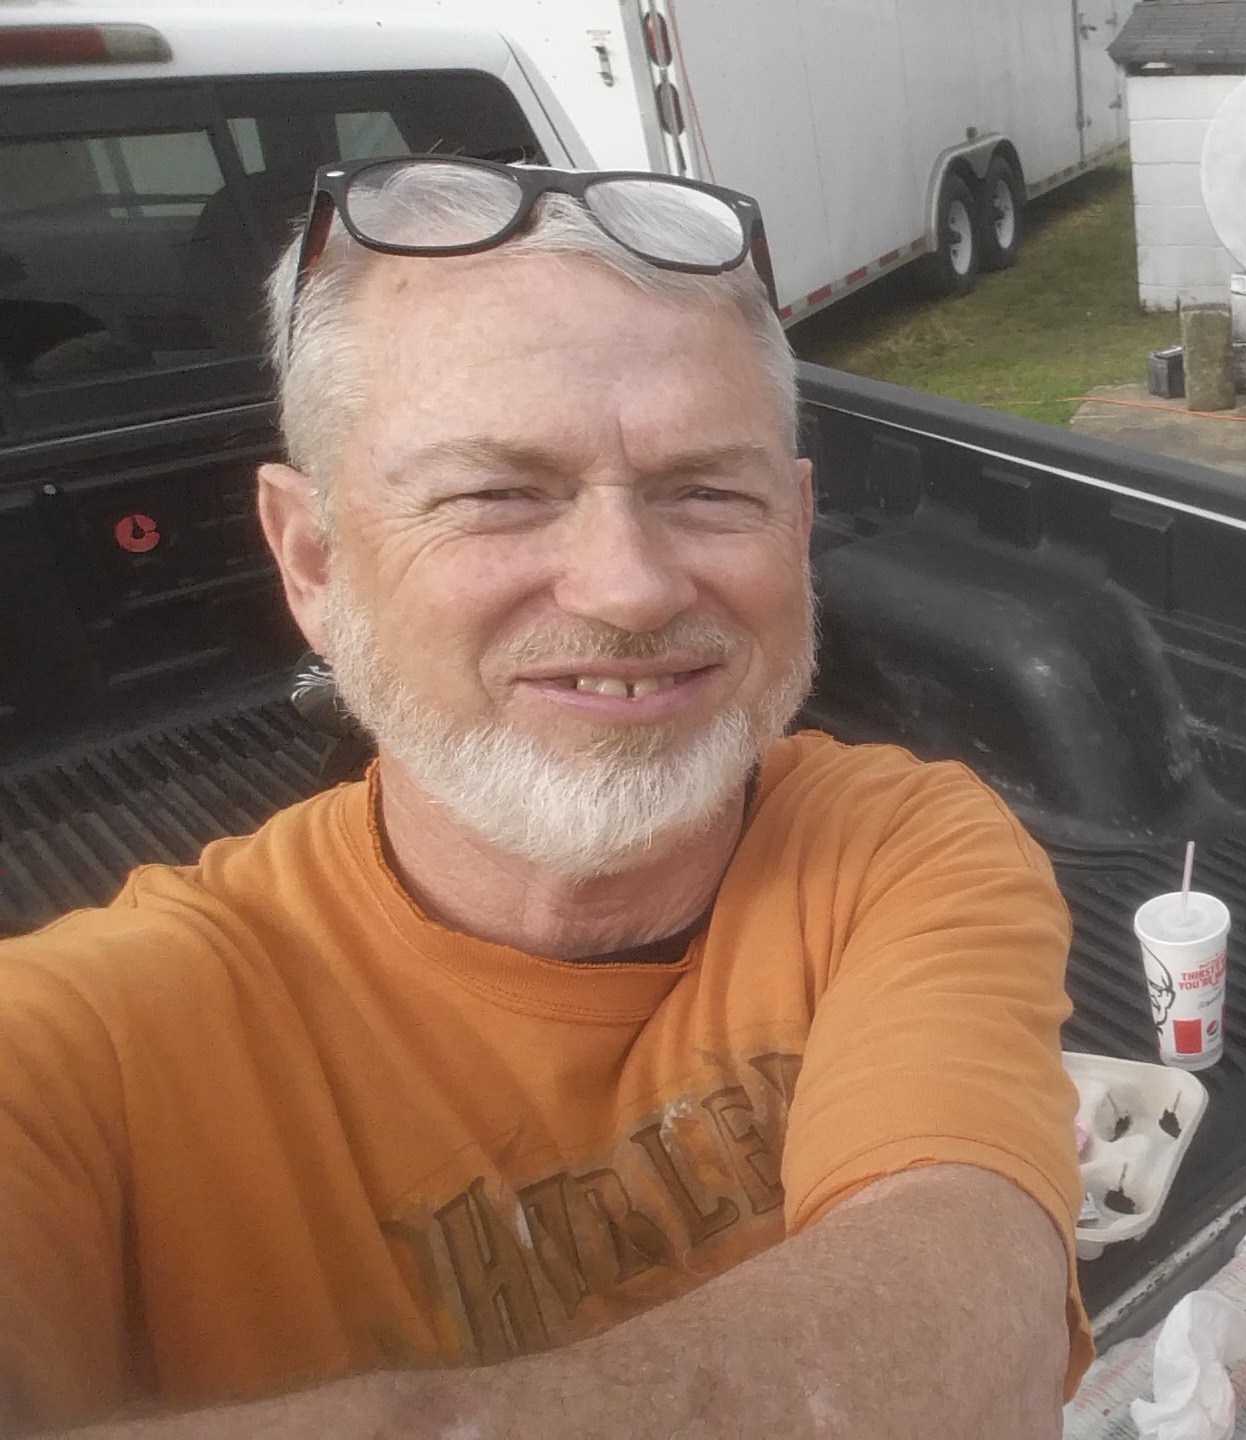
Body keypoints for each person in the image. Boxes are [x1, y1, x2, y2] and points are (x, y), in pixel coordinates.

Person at [0, 156, 1085, 1438]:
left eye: (707, 492)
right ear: (313, 559)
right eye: (496, 494)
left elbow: (968, 1328)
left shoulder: (899, 849)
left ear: (796, 530)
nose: (629, 588)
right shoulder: (79, 1048)